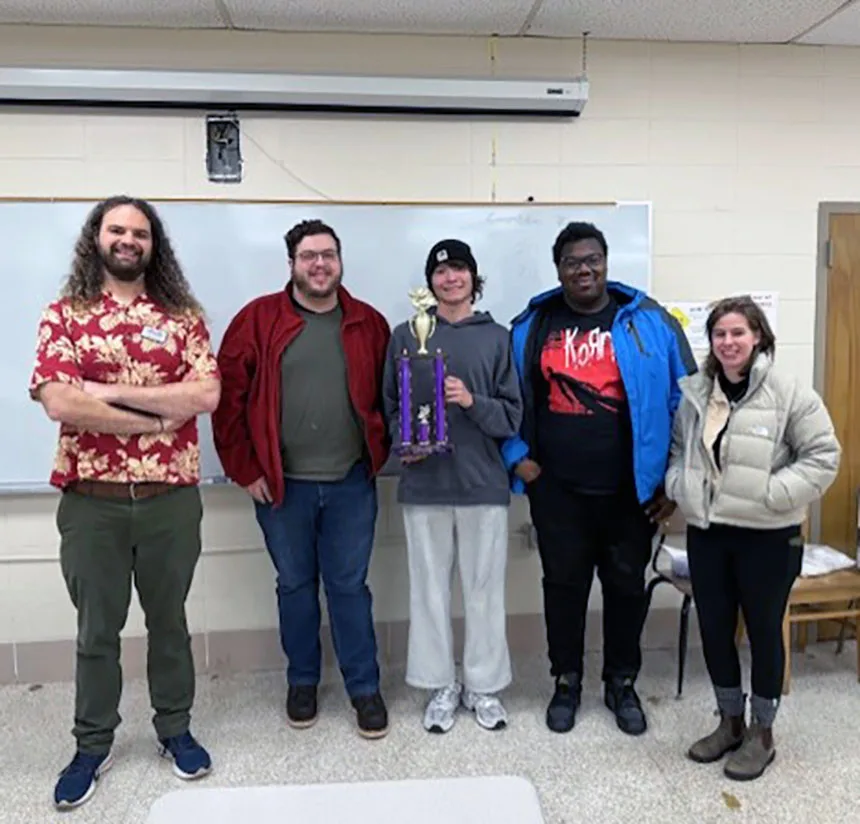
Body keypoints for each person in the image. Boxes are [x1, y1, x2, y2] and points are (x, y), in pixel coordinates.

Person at [29, 196, 221, 810]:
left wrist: (105, 391)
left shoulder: (184, 317)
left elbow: (206, 396)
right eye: (117, 229)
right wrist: (154, 417)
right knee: (96, 631)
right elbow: (60, 403)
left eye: (140, 232)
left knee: (170, 622)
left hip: (170, 500)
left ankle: (174, 729)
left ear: (152, 245)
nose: (129, 240)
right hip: (93, 502)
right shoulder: (64, 315)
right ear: (98, 238)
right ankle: (92, 744)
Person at [501, 221, 697, 736]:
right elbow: (506, 400)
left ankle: (621, 683)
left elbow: (687, 405)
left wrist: (672, 483)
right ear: (559, 269)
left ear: (606, 263)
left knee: (626, 588)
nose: (583, 269)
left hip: (633, 493)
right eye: (572, 262)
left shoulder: (649, 321)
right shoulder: (533, 325)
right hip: (557, 492)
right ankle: (566, 681)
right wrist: (517, 457)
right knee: (562, 589)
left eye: (592, 260)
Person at [212, 219, 392, 739]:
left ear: (340, 261)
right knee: (294, 587)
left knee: (349, 588)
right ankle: (303, 682)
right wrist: (244, 469)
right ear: (291, 263)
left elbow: (390, 396)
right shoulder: (257, 319)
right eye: (308, 255)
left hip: (351, 484)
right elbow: (228, 402)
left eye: (328, 255)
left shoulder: (368, 323)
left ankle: (364, 687)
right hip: (280, 486)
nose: (319, 264)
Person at [665, 295, 840, 781]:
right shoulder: (699, 392)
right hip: (710, 534)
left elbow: (823, 457)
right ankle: (729, 722)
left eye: (738, 333)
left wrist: (771, 493)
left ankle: (762, 733)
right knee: (716, 630)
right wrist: (681, 487)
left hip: (768, 535)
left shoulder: (788, 392)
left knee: (764, 633)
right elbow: (680, 450)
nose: (728, 342)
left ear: (758, 336)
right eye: (720, 334)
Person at [382, 239, 523, 734]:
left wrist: (469, 400)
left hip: (483, 485)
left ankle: (483, 686)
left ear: (473, 278)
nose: (450, 279)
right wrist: (408, 445)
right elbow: (392, 411)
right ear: (430, 283)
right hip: (425, 485)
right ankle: (439, 684)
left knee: (484, 592)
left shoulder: (498, 338)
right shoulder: (405, 335)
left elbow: (511, 415)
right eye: (441, 273)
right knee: (429, 592)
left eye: (459, 270)